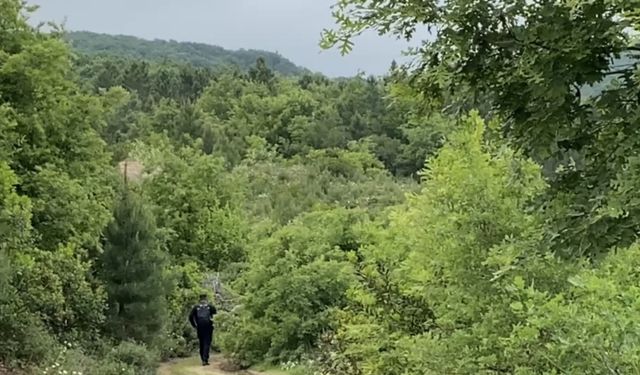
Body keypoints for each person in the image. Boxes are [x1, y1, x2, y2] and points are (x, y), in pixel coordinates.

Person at [189, 294, 217, 366]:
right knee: (206, 343)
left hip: (201, 327)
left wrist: (194, 325)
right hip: (208, 327)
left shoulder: (196, 307)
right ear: (206, 299)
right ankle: (205, 359)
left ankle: (203, 358)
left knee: (202, 343)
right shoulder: (210, 307)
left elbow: (190, 317)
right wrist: (214, 323)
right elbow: (216, 315)